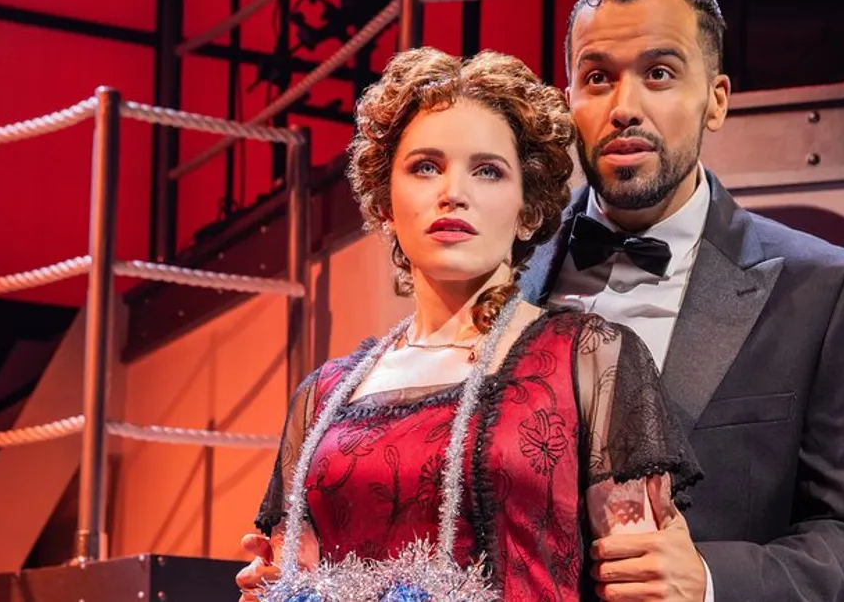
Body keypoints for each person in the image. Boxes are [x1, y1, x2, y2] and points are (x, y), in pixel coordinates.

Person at [235, 46, 702, 601]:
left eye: (487, 171)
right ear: (386, 203)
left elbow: (642, 585)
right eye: (425, 167)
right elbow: (290, 574)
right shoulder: (323, 396)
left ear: (528, 208)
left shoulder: (588, 358)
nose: (452, 193)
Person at [518, 0, 844, 602]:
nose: (625, 106)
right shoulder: (504, 276)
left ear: (716, 101)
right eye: (597, 77)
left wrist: (708, 579)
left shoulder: (820, 287)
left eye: (660, 73)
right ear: (570, 103)